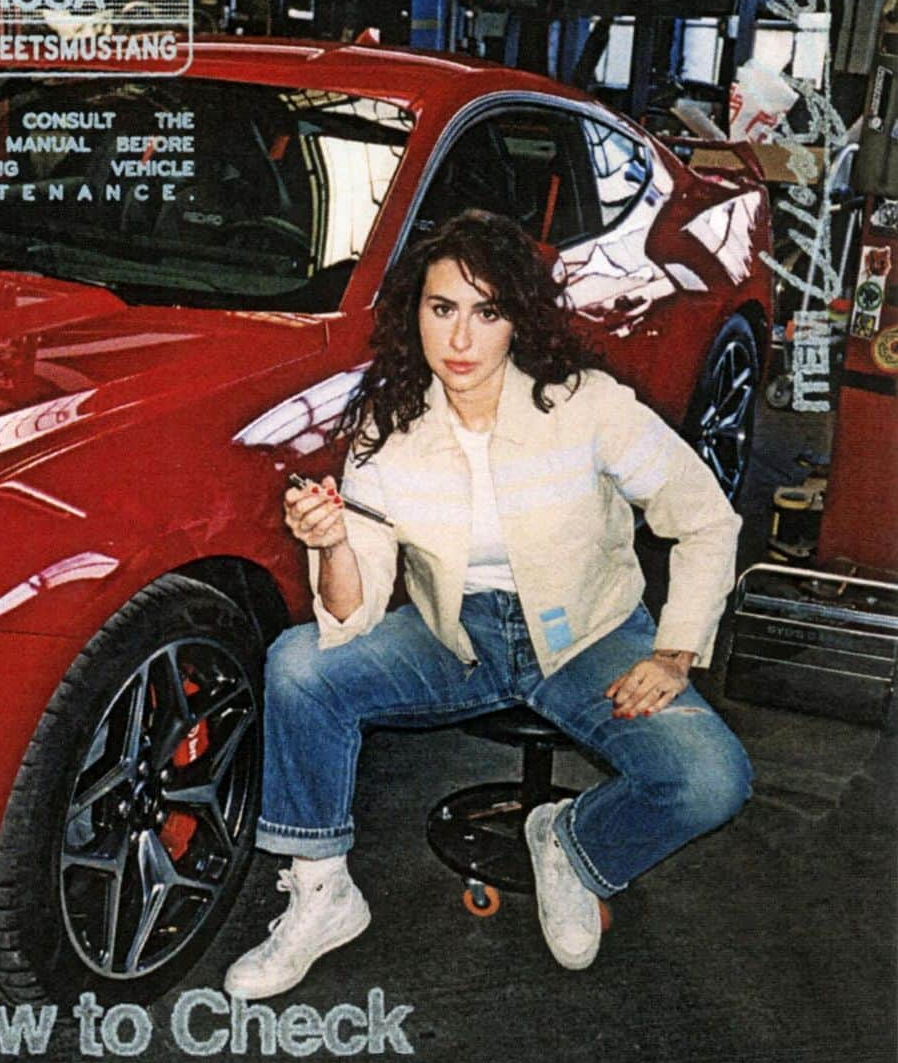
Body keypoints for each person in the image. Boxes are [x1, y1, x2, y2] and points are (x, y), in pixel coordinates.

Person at [224, 210, 752, 998]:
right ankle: (322, 892)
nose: (461, 341)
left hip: (590, 639)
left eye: (487, 312)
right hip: (454, 639)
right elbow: (352, 616)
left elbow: (706, 518)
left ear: (519, 321)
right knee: (299, 665)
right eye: (443, 310)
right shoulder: (386, 428)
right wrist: (331, 543)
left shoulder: (587, 407)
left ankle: (571, 843)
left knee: (712, 779)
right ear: (415, 315)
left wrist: (674, 650)